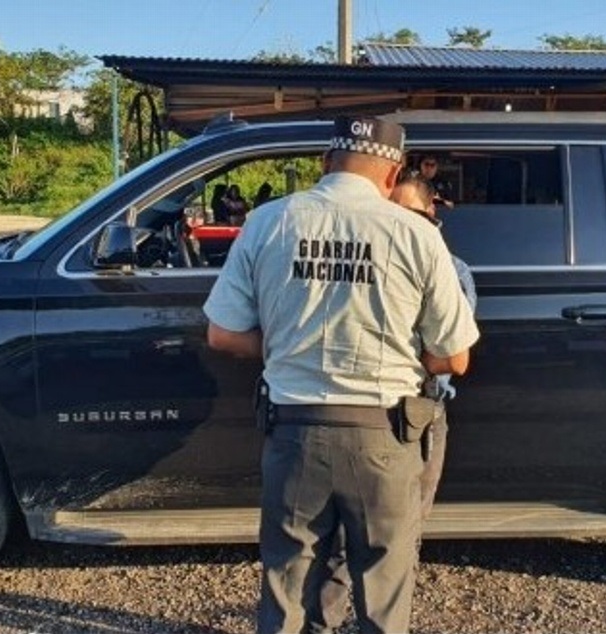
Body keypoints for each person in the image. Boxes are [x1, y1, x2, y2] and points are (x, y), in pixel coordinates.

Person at [203, 116, 480, 634]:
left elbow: (222, 335)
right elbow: (454, 358)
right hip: (386, 436)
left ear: (324, 163)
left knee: (287, 590)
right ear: (393, 173)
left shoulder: (268, 222)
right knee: (383, 593)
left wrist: (288, 345)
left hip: (293, 433)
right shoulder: (417, 234)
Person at [314, 173, 478, 632]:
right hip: (362, 413)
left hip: (417, 416)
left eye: (410, 214)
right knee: (341, 545)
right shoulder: (360, 259)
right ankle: (320, 622)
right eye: (391, 211)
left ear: (432, 219)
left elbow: (446, 357)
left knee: (399, 540)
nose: (398, 223)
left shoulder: (451, 268)